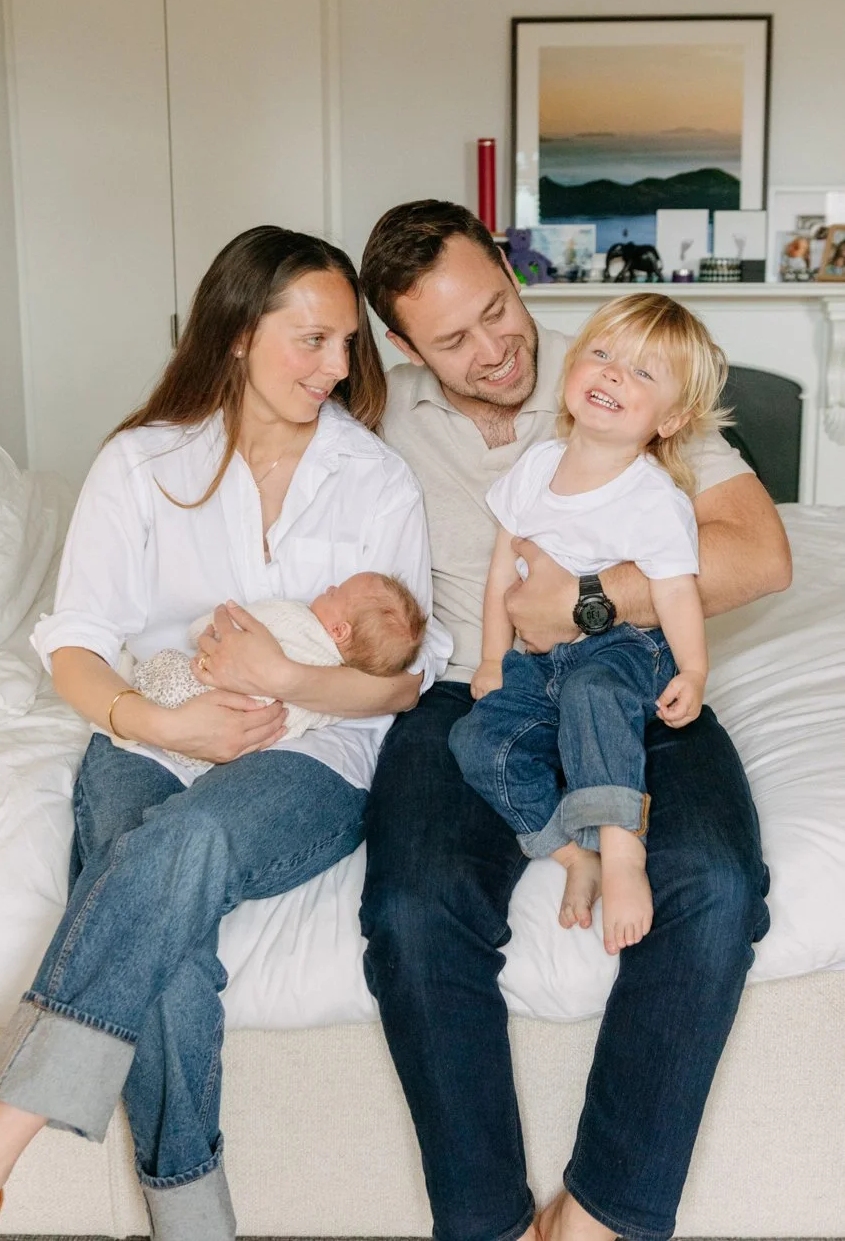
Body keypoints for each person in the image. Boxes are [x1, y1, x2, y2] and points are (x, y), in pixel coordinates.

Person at [0, 225, 450, 1240]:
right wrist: (165, 721)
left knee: (176, 849)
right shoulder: (142, 463)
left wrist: (285, 676)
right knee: (168, 926)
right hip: (146, 732)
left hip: (309, 757)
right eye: (311, 340)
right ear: (236, 332)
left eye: (347, 346)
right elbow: (77, 645)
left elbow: (406, 683)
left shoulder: (375, 481)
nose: (336, 367)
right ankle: (196, 1220)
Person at [357, 200, 789, 1241]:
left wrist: (591, 602)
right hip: (475, 686)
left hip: (624, 674)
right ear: (404, 346)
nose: (496, 348)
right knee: (413, 914)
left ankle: (596, 1217)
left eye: (499, 309)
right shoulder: (375, 420)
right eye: (452, 340)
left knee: (721, 887)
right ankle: (489, 1225)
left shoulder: (617, 370)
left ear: (510, 271)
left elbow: (760, 553)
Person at [449, 293, 725, 956]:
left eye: (640, 373)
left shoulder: (653, 497)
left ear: (670, 418)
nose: (611, 375)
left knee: (592, 696)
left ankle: (621, 850)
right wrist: (492, 659)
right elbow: (501, 574)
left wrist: (692, 667)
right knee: (475, 741)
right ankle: (574, 855)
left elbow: (675, 594)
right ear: (572, 368)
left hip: (623, 647)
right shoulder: (535, 468)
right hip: (535, 656)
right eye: (601, 355)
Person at [132, 572, 427, 773]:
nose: (328, 588)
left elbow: (217, 626)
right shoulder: (337, 695)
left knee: (164, 661)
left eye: (336, 592)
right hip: (223, 752)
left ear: (339, 630)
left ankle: (139, 695)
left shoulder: (294, 617)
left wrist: (201, 630)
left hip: (189, 700)